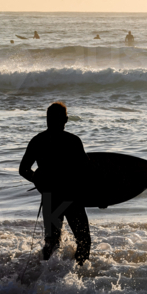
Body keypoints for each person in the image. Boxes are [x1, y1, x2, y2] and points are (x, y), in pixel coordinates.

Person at [19, 101, 92, 265]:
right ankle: (78, 273)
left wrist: (39, 181)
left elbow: (24, 169)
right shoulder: (73, 141)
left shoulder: (38, 141)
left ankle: (45, 277)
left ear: (47, 119)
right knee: (83, 240)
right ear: (66, 120)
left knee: (52, 242)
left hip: (50, 198)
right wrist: (100, 197)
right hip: (70, 198)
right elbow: (86, 171)